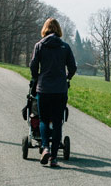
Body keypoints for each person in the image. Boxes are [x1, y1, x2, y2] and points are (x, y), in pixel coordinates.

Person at [29, 18, 77, 167]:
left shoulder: (39, 46)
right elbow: (73, 67)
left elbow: (33, 66)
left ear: (45, 29)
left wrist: (37, 78)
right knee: (57, 122)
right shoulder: (65, 46)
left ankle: (45, 148)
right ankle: (54, 157)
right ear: (58, 30)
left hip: (44, 89)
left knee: (43, 119)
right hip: (60, 89)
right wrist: (67, 77)